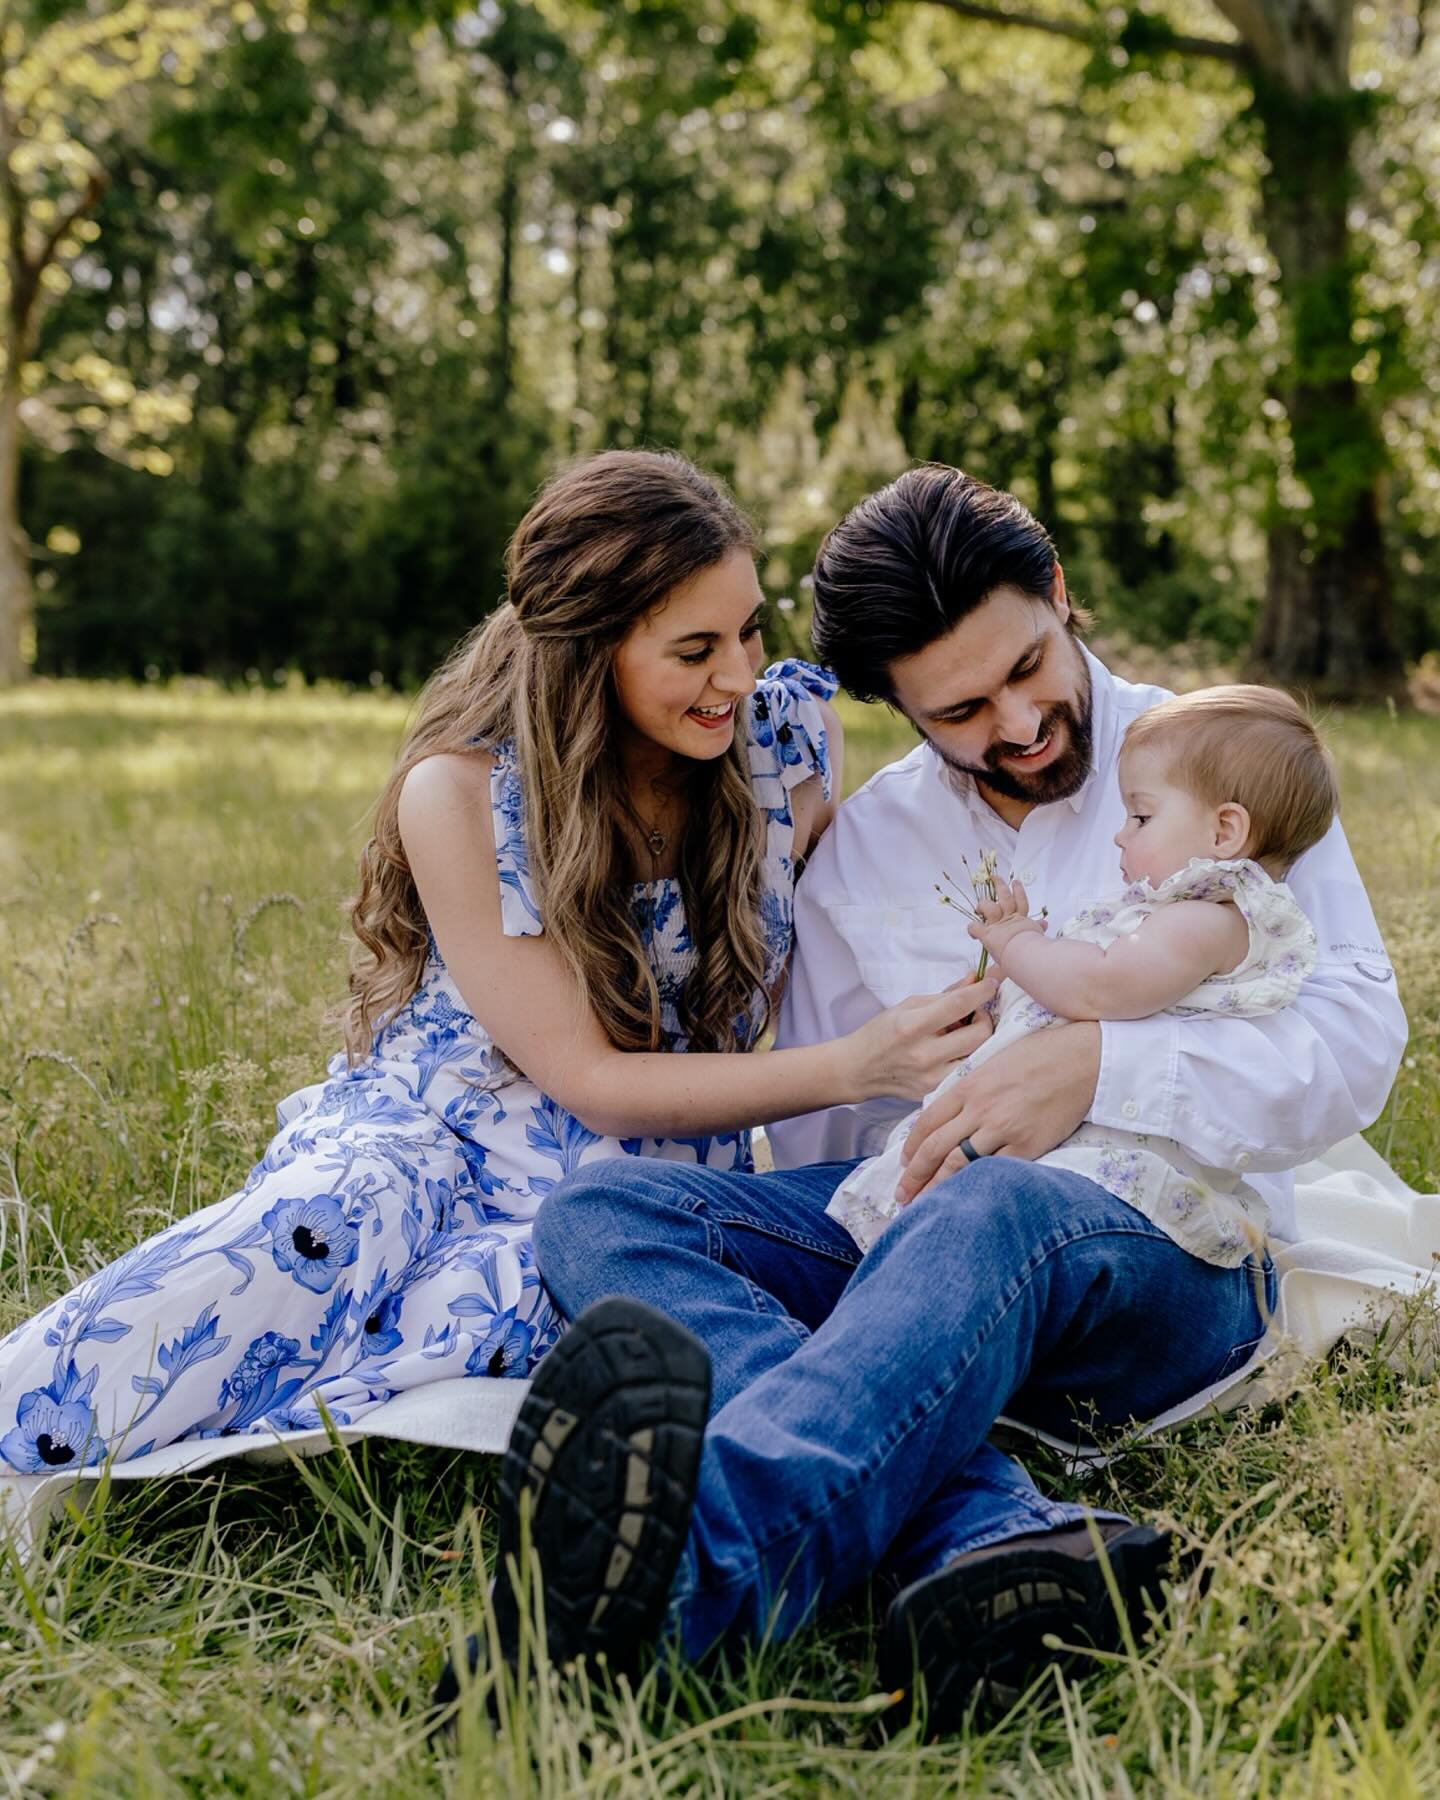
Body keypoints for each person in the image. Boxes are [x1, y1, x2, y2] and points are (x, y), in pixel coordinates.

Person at [481, 465, 1405, 1732]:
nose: (1020, 724)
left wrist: (1100, 1063)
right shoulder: (869, 845)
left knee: (992, 1209)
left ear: (1062, 596)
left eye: (1029, 669)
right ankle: (986, 1543)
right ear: (897, 706)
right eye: (962, 710)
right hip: (944, 1255)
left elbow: (1358, 1037)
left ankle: (676, 1588)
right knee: (613, 1214)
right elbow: (830, 1144)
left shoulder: (1224, 773)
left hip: (1168, 1260)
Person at [0, 451, 991, 1477]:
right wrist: (857, 1066)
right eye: (694, 649)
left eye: (747, 631)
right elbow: (592, 1081)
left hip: (635, 1183)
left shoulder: (786, 743)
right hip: (436, 1129)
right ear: (588, 651)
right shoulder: (468, 792)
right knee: (315, 1237)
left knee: (540, 1302)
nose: (737, 675)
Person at [828, 684, 1337, 1264]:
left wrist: (1018, 941)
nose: (1121, 834)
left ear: (1224, 833)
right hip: (1057, 1145)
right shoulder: (1174, 916)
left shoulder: (1208, 919)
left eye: (1141, 816)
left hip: (1105, 1168)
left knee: (975, 1219)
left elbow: (1097, 986)